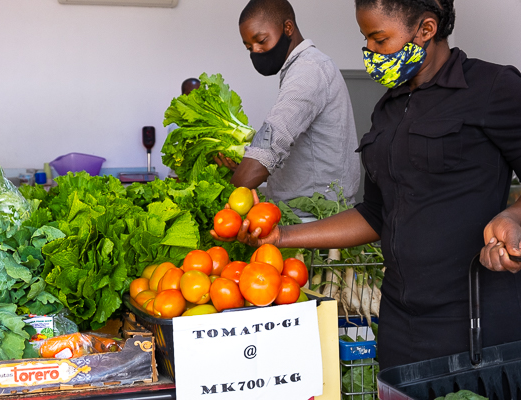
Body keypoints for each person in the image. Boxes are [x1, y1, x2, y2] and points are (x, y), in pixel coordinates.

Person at [218, 0, 521, 369]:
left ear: (425, 30)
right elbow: (376, 214)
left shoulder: (492, 88)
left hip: (473, 318)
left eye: (379, 39)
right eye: (366, 39)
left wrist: (514, 216)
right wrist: (282, 236)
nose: (370, 52)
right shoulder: (388, 109)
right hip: (398, 319)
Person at [216, 0, 360, 213]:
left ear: (288, 28)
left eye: (261, 40)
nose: (256, 51)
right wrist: (244, 166)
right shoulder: (303, 67)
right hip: (305, 213)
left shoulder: (308, 71)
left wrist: (220, 203)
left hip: (315, 218)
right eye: (249, 47)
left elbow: (272, 143)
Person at [167, 78, 201, 179]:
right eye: (191, 94)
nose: (195, 98)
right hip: (179, 178)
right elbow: (180, 158)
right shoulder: (178, 123)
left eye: (199, 94)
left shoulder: (205, 118)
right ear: (183, 96)